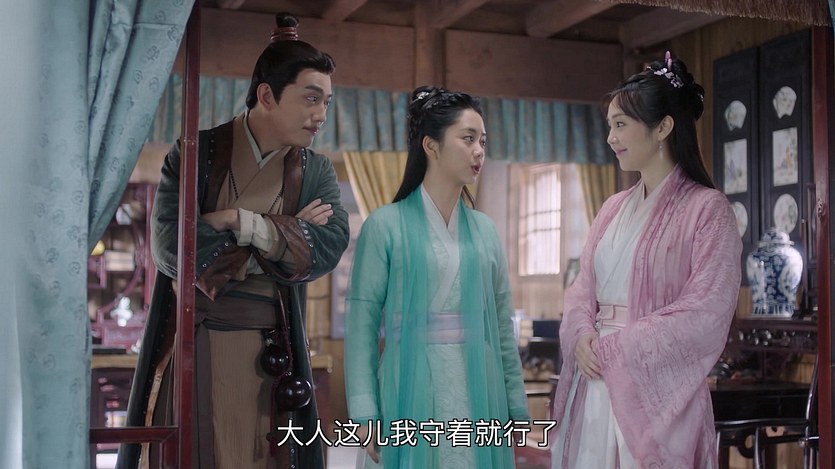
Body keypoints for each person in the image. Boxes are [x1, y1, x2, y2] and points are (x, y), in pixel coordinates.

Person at [118, 13, 349, 469]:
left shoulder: (315, 170)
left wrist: (236, 221)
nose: (321, 115)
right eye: (310, 98)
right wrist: (284, 234)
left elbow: (325, 250)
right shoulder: (195, 154)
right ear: (266, 95)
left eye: (326, 101)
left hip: (272, 348)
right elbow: (173, 251)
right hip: (198, 341)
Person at [550, 52, 742, 468]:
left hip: (657, 394)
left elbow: (707, 309)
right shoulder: (612, 209)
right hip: (595, 378)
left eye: (621, 125)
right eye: (610, 126)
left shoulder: (708, 210)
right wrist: (581, 336)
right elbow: (582, 290)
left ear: (663, 128)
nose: (611, 138)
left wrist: (619, 348)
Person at [344, 86, 530, 469]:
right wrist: (365, 413)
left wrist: (515, 405)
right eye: (468, 139)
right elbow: (362, 326)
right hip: (408, 385)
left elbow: (500, 325)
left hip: (479, 389)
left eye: (483, 141)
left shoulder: (485, 230)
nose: (479, 151)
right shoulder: (385, 225)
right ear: (431, 146)